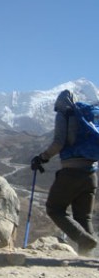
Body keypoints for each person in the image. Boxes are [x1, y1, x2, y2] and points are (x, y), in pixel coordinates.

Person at [31, 89, 98, 256]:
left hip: (71, 173)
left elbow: (58, 143)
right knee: (84, 218)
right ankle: (87, 258)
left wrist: (42, 158)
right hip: (91, 174)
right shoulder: (87, 119)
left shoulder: (64, 115)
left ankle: (83, 239)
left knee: (54, 208)